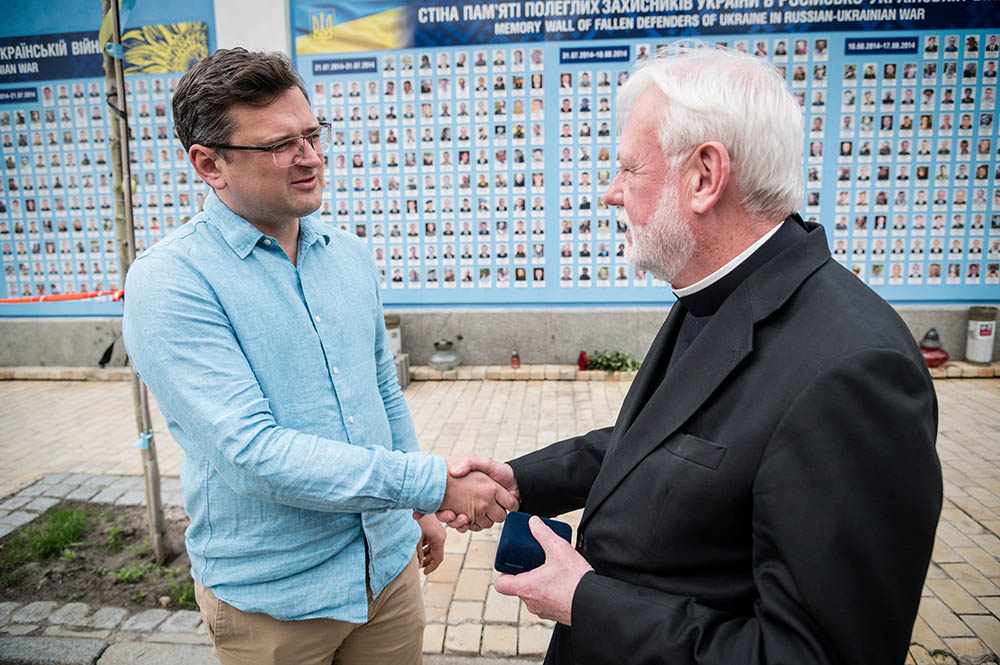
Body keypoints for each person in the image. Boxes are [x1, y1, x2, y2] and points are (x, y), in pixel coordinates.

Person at [440, 45, 942, 665]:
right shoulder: (717, 288)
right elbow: (668, 444)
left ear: (704, 176)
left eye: (629, 168)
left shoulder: (855, 372)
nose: (611, 193)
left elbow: (813, 654)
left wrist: (585, 600)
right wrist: (522, 480)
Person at [121, 49, 516, 665]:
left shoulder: (349, 255)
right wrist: (433, 480)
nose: (309, 156)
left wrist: (418, 507)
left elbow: (382, 391)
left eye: (312, 134)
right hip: (274, 603)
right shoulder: (171, 283)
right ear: (208, 163)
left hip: (387, 575)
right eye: (280, 144)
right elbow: (252, 453)